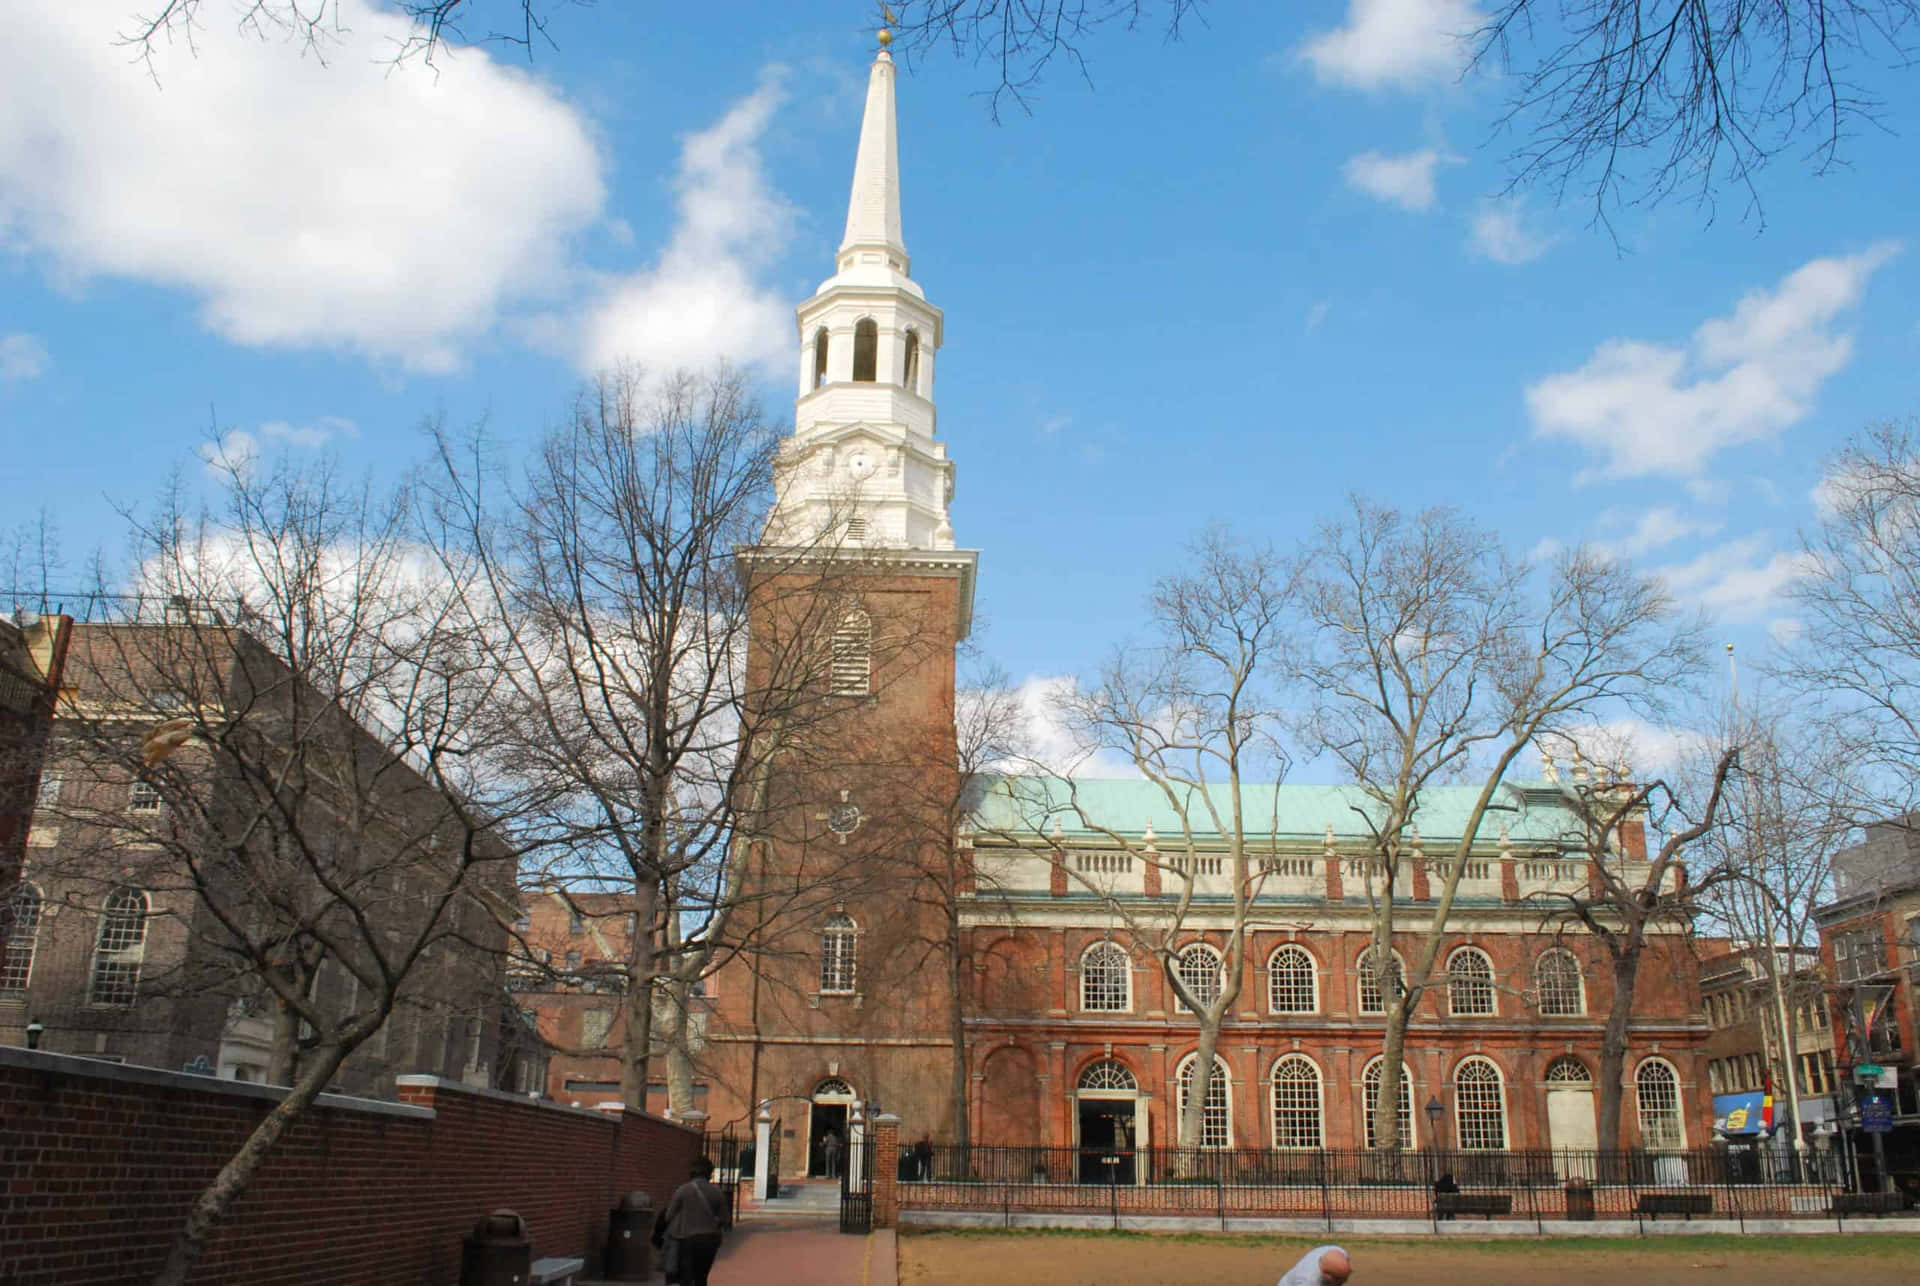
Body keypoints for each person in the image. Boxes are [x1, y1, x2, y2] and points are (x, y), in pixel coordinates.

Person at [655, 1156, 731, 1286]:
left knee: (686, 1278)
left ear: (692, 1172)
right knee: (702, 1277)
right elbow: (725, 1220)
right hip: (710, 1240)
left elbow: (668, 1216)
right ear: (709, 1173)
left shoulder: (683, 1190)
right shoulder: (717, 1192)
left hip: (688, 1239)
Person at [1277, 1245, 1351, 1286]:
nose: (1345, 1281)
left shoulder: (1338, 1251)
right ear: (1328, 1276)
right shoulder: (1308, 1280)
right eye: (1340, 1279)